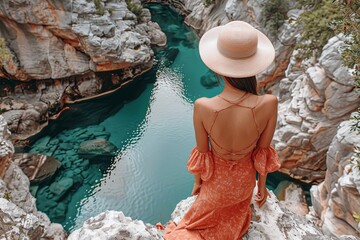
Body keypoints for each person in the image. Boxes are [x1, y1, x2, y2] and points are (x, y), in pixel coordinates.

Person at [163, 21, 281, 240]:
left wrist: (198, 183)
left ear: (218, 67)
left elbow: (203, 154)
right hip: (244, 187)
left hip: (216, 189)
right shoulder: (269, 103)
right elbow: (262, 153)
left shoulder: (203, 106)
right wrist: (261, 188)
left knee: (187, 231)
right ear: (254, 65)